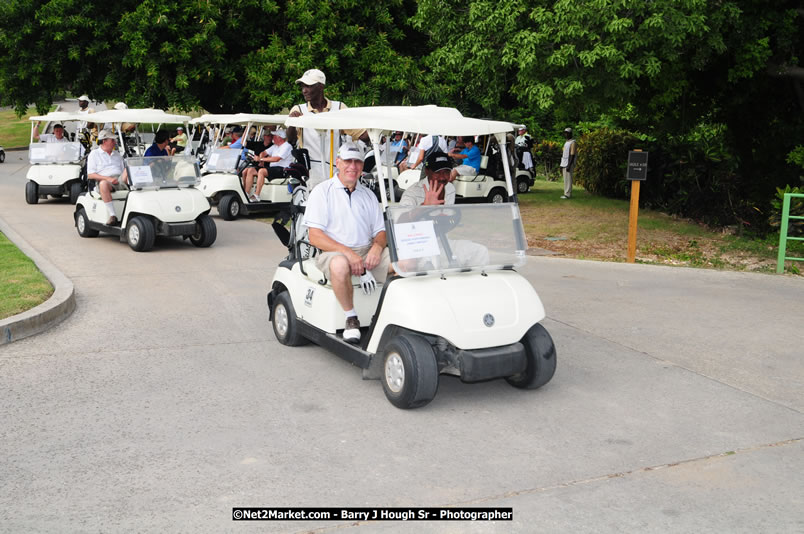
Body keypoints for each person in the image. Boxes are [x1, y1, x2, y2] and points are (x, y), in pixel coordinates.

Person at [303, 142, 391, 343]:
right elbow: (314, 236)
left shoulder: (368, 195)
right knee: (341, 265)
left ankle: (392, 314)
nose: (353, 166)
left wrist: (377, 247)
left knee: (404, 264)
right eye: (348, 161)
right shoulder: (322, 191)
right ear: (338, 163)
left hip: (366, 250)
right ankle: (351, 318)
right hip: (332, 251)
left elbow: (380, 232)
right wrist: (348, 253)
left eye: (357, 162)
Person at [399, 151, 489, 271]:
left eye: (446, 172)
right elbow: (399, 222)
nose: (442, 177)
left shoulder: (450, 188)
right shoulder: (412, 193)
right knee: (434, 264)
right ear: (427, 171)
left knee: (480, 252)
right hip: (417, 245)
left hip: (442, 241)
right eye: (438, 172)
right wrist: (423, 207)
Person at [287, 69, 366, 189]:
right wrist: (292, 123)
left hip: (336, 171)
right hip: (310, 174)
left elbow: (361, 134)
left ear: (320, 87)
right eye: (303, 86)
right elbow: (290, 140)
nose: (304, 90)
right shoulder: (298, 110)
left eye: (308, 86)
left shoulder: (339, 107)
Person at [87, 130, 128, 226]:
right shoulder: (94, 154)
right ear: (104, 141)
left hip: (119, 179)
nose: (115, 142)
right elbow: (90, 175)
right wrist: (107, 179)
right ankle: (112, 215)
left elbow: (123, 171)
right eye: (112, 140)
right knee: (103, 184)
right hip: (105, 181)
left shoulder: (117, 155)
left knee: (129, 170)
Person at [245, 129, 293, 202]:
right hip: (273, 169)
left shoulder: (287, 146)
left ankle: (256, 195)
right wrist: (261, 158)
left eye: (274, 136)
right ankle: (246, 194)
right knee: (250, 170)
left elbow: (276, 159)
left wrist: (261, 160)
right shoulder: (275, 146)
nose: (272, 138)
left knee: (261, 171)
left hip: (282, 169)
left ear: (279, 137)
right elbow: (263, 152)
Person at [560, 127, 577, 199]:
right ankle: (565, 193)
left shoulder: (573, 142)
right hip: (564, 162)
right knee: (565, 179)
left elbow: (572, 155)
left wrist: (569, 165)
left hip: (569, 163)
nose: (566, 135)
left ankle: (568, 194)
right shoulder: (566, 142)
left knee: (569, 179)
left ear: (570, 134)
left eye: (567, 133)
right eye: (565, 133)